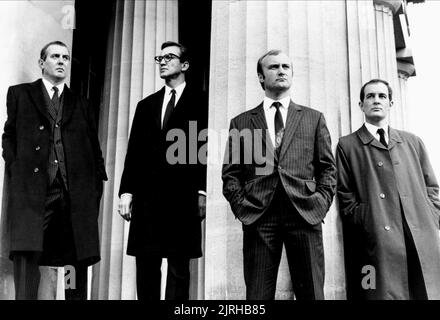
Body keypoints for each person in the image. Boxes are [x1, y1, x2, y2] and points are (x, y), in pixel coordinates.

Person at [222, 49, 336, 300]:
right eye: (273, 67)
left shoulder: (313, 118)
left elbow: (328, 168)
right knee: (257, 296)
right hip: (259, 215)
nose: (281, 70)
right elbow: (231, 174)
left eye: (286, 66)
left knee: (313, 293)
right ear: (261, 77)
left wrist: (320, 203)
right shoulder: (241, 122)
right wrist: (243, 207)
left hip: (305, 213)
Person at [2, 40, 107, 300]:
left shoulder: (81, 103)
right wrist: (16, 168)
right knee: (28, 255)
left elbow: (94, 148)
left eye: (66, 57)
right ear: (42, 63)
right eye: (55, 56)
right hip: (34, 193)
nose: (61, 61)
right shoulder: (20, 94)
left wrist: (94, 185)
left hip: (73, 194)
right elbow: (9, 136)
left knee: (75, 261)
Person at [118, 41, 208, 300]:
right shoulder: (145, 105)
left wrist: (202, 191)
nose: (163, 62)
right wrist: (126, 192)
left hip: (183, 195)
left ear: (185, 65)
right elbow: (133, 152)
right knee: (146, 266)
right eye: (160, 58)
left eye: (170, 57)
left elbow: (204, 149)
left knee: (180, 268)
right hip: (147, 197)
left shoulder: (201, 102)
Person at [336, 78, 440, 300]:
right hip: (376, 238)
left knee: (424, 291)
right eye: (370, 96)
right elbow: (345, 194)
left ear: (391, 103)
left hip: (418, 233)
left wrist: (432, 215)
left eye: (382, 96)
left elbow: (432, 186)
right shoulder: (348, 145)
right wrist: (366, 219)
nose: (376, 101)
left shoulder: (413, 141)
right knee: (378, 291)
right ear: (361, 105)